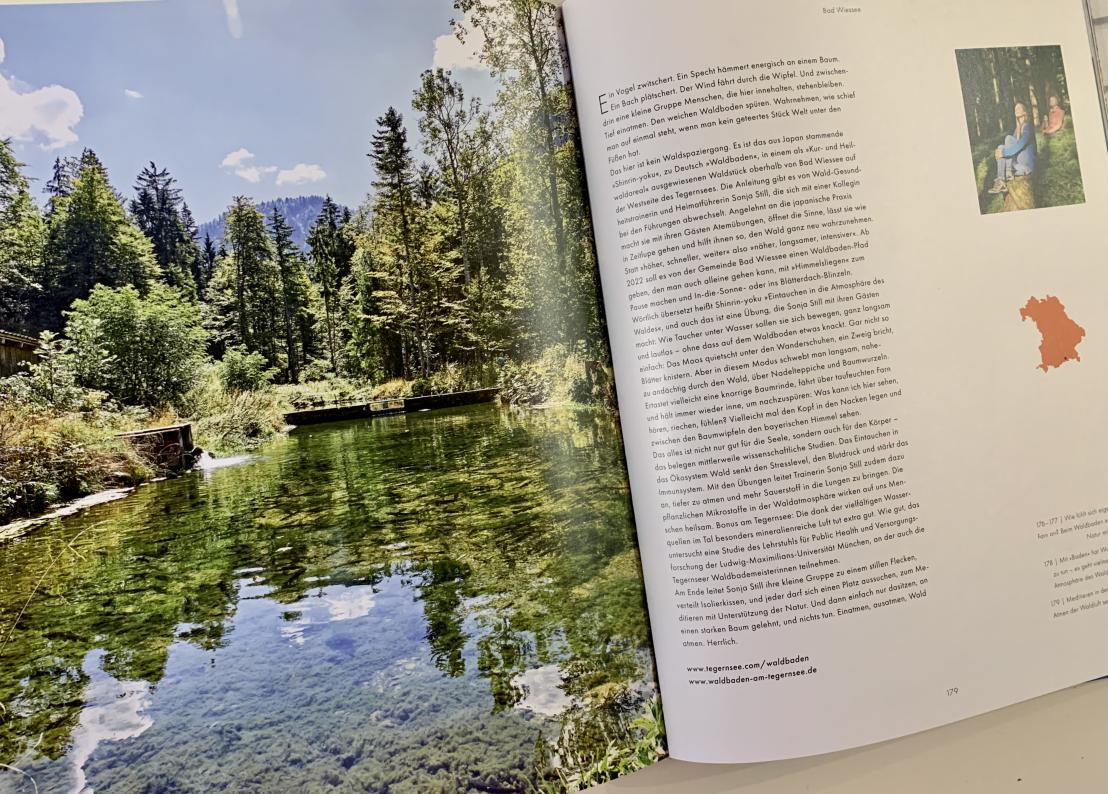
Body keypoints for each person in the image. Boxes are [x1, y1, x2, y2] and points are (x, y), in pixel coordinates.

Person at [989, 102, 1036, 194]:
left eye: (1019, 108)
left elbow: (1020, 145)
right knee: (1001, 147)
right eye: (1015, 109)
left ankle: (1008, 171)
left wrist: (1003, 153)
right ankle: (1001, 180)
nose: (1016, 110)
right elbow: (1011, 148)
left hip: (1026, 167)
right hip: (1017, 166)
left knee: (1008, 139)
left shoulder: (1028, 126)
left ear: (1024, 112)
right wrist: (1001, 151)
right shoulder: (1017, 129)